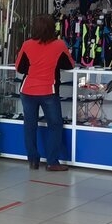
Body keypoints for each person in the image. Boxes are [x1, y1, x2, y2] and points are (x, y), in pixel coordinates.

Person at [15, 14, 75, 171]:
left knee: (30, 126)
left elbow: (19, 68)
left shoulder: (27, 44)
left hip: (27, 90)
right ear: (52, 28)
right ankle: (52, 162)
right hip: (49, 90)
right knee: (55, 125)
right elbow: (70, 64)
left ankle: (33, 161)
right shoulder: (59, 45)